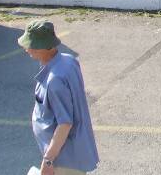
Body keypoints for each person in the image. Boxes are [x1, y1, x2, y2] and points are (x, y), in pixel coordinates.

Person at [18, 20, 100, 175]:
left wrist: (48, 160)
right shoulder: (68, 61)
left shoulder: (55, 81)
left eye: (31, 45)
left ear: (44, 47)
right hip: (74, 151)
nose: (27, 49)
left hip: (64, 160)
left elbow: (65, 124)